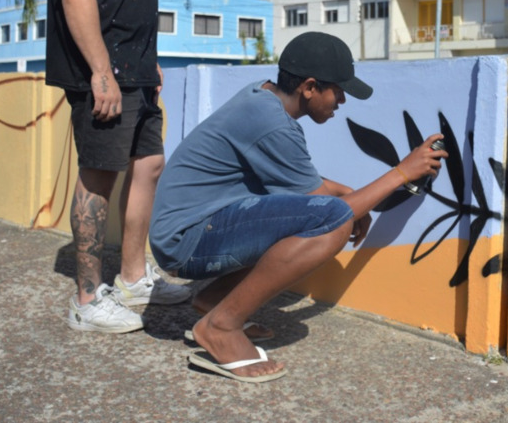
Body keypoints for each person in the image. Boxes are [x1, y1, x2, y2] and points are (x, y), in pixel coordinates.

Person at [150, 32, 447, 382]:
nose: (342, 101)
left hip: (190, 227)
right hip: (186, 240)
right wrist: (402, 172)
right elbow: (327, 210)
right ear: (309, 87)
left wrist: (344, 192)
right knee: (333, 222)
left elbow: (306, 186)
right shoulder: (272, 123)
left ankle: (215, 300)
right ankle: (221, 326)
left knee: (326, 211)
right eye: (338, 90)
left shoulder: (261, 98)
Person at [46, 0, 191, 333]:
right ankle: (87, 300)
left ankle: (133, 279)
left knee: (148, 164)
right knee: (99, 174)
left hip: (135, 68)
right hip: (101, 71)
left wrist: (145, 60)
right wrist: (101, 71)